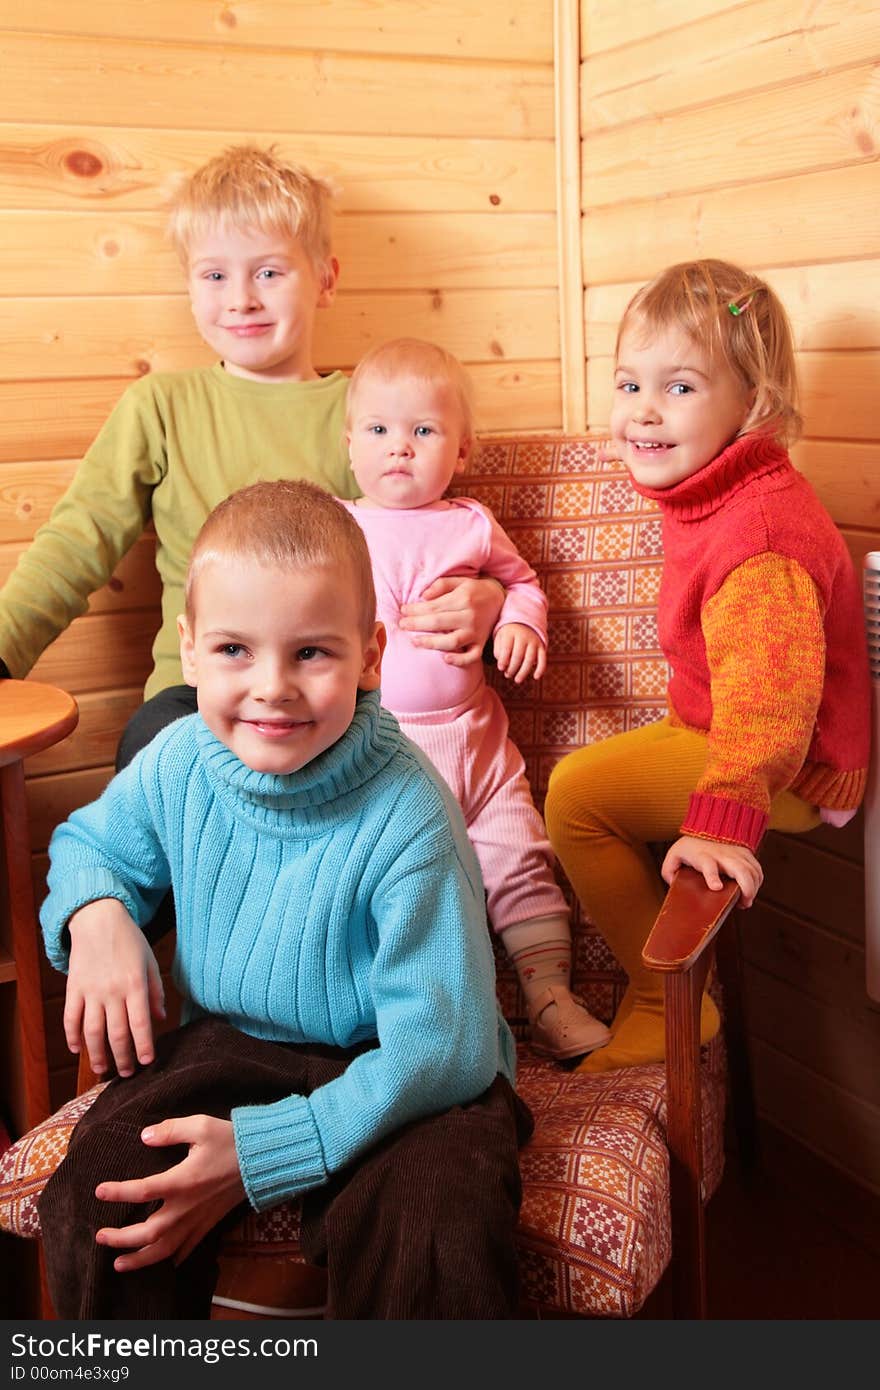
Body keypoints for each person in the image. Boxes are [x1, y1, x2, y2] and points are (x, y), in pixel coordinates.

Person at [36, 480, 532, 1320]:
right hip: (232, 1044)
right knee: (106, 1184)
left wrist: (264, 1152)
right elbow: (88, 844)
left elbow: (444, 1049)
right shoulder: (178, 763)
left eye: (311, 653)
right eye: (235, 650)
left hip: (405, 1069)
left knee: (435, 1221)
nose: (272, 687)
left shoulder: (409, 812)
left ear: (371, 654)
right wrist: (97, 914)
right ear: (190, 653)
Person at [0, 145, 503, 767]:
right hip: (195, 693)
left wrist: (487, 599)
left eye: (268, 272)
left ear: (325, 279)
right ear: (190, 286)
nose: (241, 298)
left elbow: (426, 536)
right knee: (153, 757)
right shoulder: (160, 406)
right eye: (215, 275)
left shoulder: (370, 418)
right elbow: (76, 543)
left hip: (328, 693)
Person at [543, 258, 870, 1074]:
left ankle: (668, 1003)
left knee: (576, 797)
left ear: (752, 405)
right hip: (731, 727)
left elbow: (770, 710)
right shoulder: (713, 490)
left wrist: (723, 814)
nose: (642, 413)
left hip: (784, 766)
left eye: (679, 388)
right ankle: (658, 993)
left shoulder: (759, 537)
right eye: (628, 385)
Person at [342, 338, 611, 1062]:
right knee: (396, 886)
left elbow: (522, 584)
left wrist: (520, 620)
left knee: (518, 854)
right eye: (378, 431)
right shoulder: (337, 528)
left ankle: (550, 996)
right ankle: (397, 1027)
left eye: (423, 431)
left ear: (460, 451)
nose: (399, 448)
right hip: (382, 754)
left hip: (479, 742)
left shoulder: (470, 523)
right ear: (349, 445)